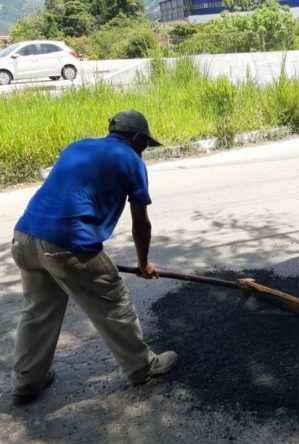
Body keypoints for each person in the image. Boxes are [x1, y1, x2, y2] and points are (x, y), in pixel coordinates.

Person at [10, 110, 177, 405]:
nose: (144, 151)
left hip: (24, 237)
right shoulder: (131, 160)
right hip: (68, 242)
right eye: (145, 145)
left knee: (39, 310)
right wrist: (142, 264)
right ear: (137, 138)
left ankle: (27, 380)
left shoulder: (79, 146)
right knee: (113, 302)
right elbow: (141, 223)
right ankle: (142, 368)